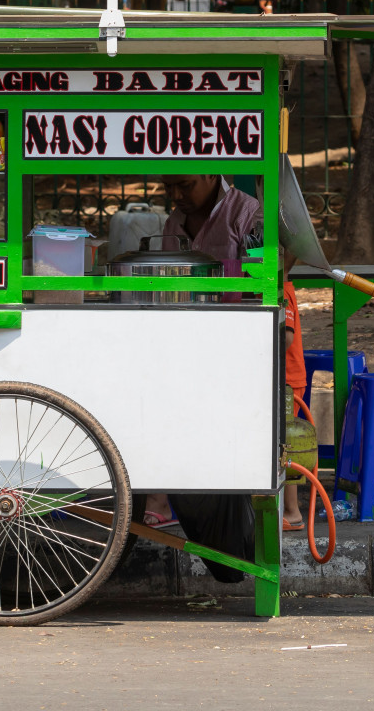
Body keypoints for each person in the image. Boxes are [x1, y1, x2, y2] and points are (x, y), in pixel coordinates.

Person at [141, 175, 263, 530]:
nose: (176, 196)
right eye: (168, 187)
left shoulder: (248, 214)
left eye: (185, 185)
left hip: (234, 341)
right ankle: (159, 498)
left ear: (212, 174)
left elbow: (261, 282)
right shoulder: (173, 222)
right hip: (181, 338)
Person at [280, 248, 310, 530]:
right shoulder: (281, 288)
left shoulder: (284, 291)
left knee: (285, 448)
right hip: (285, 379)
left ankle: (292, 511)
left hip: (288, 380)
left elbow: (285, 338)